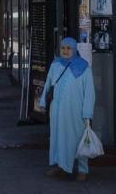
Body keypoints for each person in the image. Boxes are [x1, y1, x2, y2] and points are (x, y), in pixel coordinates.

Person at [39, 37, 95, 181]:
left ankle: (83, 170)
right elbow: (48, 85)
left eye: (68, 48)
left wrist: (87, 113)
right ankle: (61, 166)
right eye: (63, 48)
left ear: (74, 50)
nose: (65, 51)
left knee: (79, 138)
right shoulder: (55, 64)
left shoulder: (84, 67)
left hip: (76, 111)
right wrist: (43, 102)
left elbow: (89, 93)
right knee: (58, 138)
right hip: (57, 110)